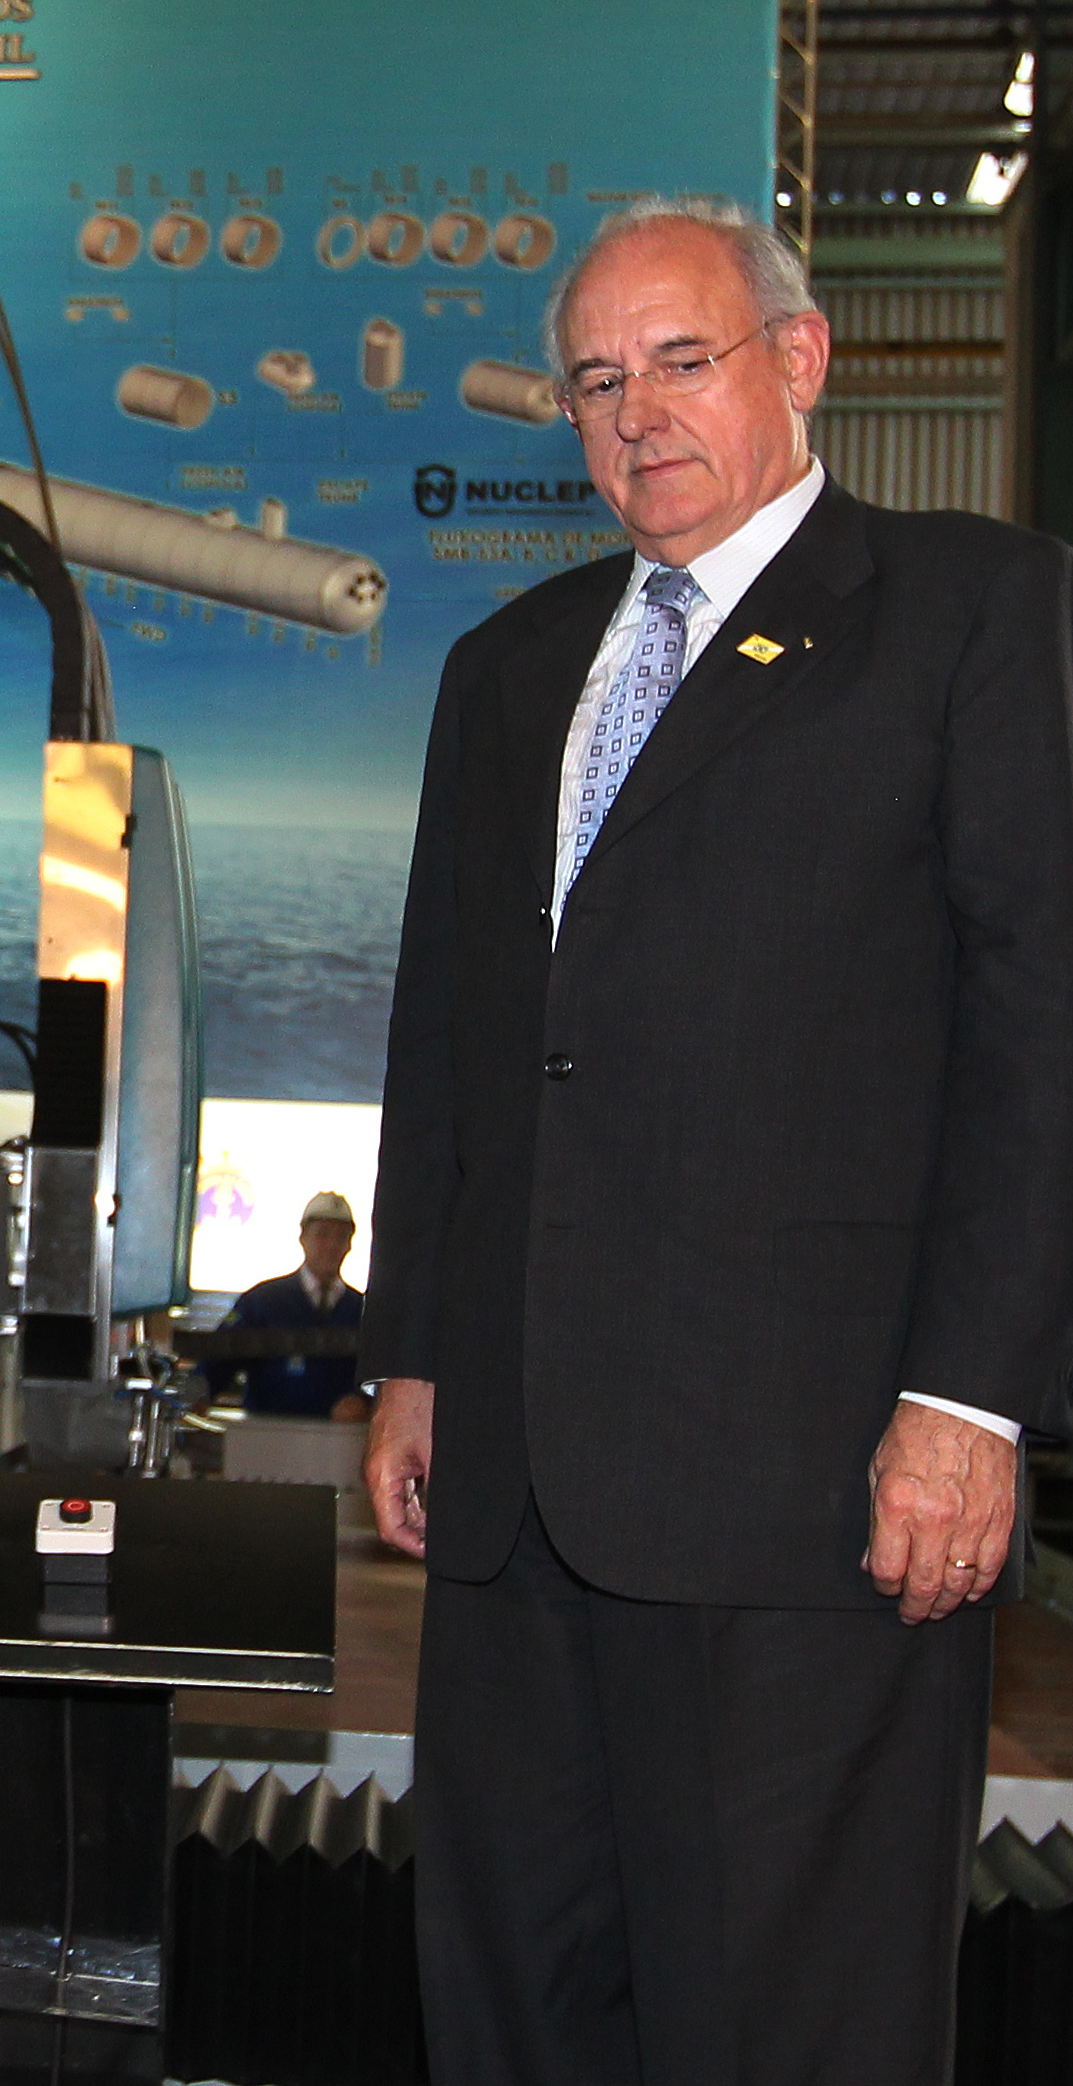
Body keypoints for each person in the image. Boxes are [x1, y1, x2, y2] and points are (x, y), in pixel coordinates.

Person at [361, 195, 1073, 2086]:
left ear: (799, 361)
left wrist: (972, 1400)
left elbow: (1040, 1029)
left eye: (683, 360)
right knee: (513, 2016)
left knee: (784, 2033)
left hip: (811, 1498)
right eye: (597, 381)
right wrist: (417, 1354)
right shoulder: (505, 670)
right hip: (514, 1505)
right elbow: (452, 1040)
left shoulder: (976, 613)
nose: (637, 413)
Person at [214, 1190, 366, 1420]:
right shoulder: (261, 1301)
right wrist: (198, 1391)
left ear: (349, 1244)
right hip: (267, 1440)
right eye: (322, 1234)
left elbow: (381, 1380)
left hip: (341, 1446)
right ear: (303, 1237)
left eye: (341, 1237)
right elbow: (218, 1359)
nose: (331, 1245)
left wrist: (363, 1401)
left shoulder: (363, 1311)